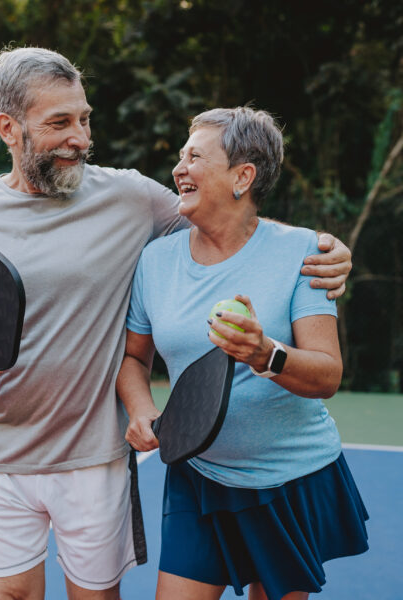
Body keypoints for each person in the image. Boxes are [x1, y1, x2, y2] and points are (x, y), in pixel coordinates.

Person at [0, 47, 353, 600]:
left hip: (93, 456)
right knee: (8, 595)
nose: (80, 136)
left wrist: (322, 248)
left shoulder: (132, 198)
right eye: (59, 123)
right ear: (9, 128)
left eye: (84, 118)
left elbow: (229, 219)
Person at [116, 106, 368, 600]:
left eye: (194, 156)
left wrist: (265, 353)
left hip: (289, 478)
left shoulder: (304, 253)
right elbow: (132, 358)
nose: (178, 168)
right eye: (180, 156)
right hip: (199, 472)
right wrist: (141, 408)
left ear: (242, 176)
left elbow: (327, 375)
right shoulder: (155, 260)